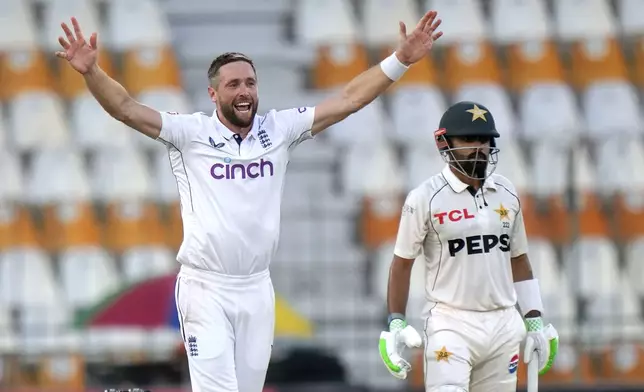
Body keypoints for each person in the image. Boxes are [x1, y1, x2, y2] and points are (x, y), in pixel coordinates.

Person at [55, 11, 443, 392]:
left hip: (257, 288)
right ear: (213, 93)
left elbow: (347, 100)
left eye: (250, 83)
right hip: (204, 287)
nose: (244, 92)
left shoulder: (279, 129)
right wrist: (92, 72)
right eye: (233, 84)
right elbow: (125, 108)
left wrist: (401, 60)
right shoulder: (190, 133)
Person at [378, 101, 559, 391]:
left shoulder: (507, 192)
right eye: (468, 139)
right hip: (450, 322)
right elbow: (402, 262)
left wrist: (534, 319)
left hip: (503, 323)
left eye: (484, 139)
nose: (479, 147)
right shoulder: (424, 197)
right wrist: (396, 322)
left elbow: (519, 259)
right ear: (443, 142)